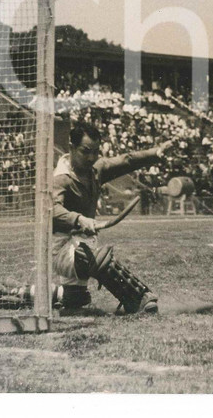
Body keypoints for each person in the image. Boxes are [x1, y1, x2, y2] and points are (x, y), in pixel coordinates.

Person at [50, 121, 175, 314]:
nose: (91, 157)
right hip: (61, 247)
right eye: (85, 151)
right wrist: (79, 219)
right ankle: (137, 298)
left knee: (75, 301)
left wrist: (155, 153)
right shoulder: (61, 178)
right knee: (95, 259)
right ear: (72, 148)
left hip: (85, 241)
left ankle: (25, 293)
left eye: (96, 151)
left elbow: (127, 160)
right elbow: (52, 210)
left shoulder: (96, 170)